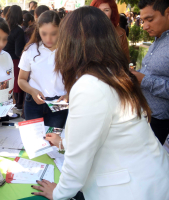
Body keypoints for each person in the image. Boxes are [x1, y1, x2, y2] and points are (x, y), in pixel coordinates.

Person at [31, 6, 169, 200]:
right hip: (153, 178)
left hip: (130, 190)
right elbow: (107, 133)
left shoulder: (90, 85)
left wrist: (59, 192)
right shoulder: (113, 74)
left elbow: (79, 160)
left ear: (71, 43)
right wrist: (63, 143)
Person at [18, 11, 68, 128]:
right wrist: (32, 91)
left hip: (59, 103)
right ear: (38, 31)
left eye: (53, 34)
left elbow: (76, 79)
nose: (48, 38)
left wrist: (68, 94)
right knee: (34, 140)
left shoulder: (68, 50)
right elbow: (21, 80)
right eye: (44, 34)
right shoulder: (31, 50)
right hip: (33, 103)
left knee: (53, 140)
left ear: (61, 30)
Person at [130, 0, 169, 145]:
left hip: (157, 121)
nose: (145, 26)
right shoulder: (158, 40)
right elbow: (152, 72)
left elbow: (148, 78)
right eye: (143, 20)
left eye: (150, 20)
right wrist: (134, 74)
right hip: (142, 113)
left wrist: (143, 79)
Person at [4, 5, 26, 110]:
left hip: (3, 58)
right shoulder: (18, 30)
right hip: (14, 60)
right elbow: (18, 51)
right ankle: (18, 104)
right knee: (17, 82)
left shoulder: (4, 27)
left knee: (6, 82)